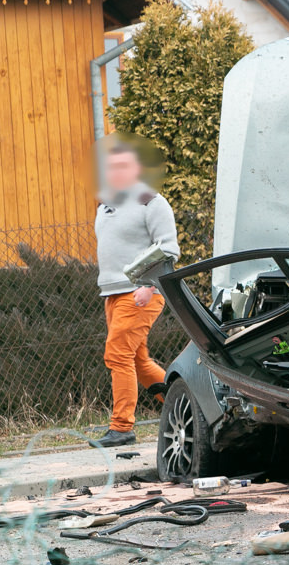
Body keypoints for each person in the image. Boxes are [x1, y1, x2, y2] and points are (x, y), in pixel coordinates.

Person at [91, 143, 179, 448]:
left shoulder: (151, 202)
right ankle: (188, 405)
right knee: (138, 361)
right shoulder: (106, 204)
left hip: (141, 291)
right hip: (113, 294)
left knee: (117, 355)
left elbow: (168, 249)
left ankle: (122, 428)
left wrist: (151, 286)